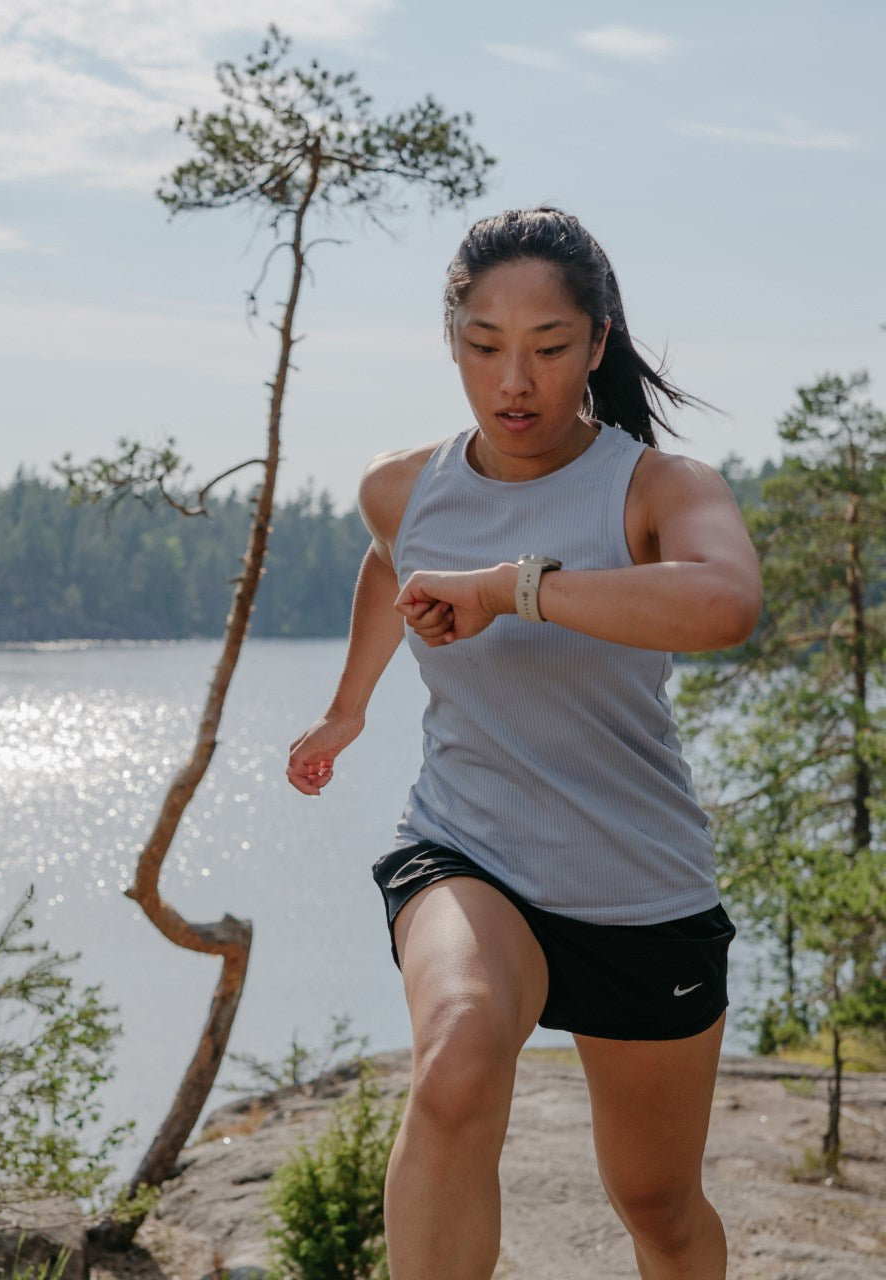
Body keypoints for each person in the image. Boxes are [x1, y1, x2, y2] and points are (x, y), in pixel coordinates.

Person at [286, 206, 762, 1280]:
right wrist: (350, 701)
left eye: (548, 349)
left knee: (656, 1201)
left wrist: (512, 590)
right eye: (483, 347)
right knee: (454, 1056)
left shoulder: (654, 489)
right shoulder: (401, 486)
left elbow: (724, 603)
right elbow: (387, 557)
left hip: (635, 884)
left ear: (595, 344)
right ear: (449, 341)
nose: (514, 381)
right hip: (468, 849)